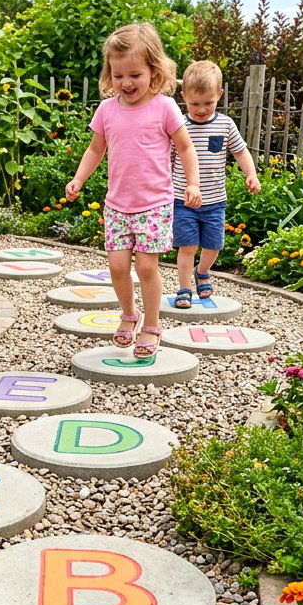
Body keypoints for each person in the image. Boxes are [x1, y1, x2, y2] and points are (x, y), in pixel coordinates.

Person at [66, 23, 201, 358]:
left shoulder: (164, 107)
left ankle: (152, 325)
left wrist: (193, 183)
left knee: (146, 268)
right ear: (109, 73)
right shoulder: (107, 110)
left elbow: (186, 147)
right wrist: (79, 179)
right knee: (116, 266)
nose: (126, 83)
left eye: (135, 75)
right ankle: (129, 314)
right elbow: (95, 150)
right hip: (117, 206)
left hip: (154, 204)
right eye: (118, 75)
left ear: (154, 71)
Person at [172, 60, 260, 307]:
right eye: (194, 104)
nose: (201, 109)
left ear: (219, 95)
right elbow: (167, 157)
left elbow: (240, 152)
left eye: (208, 103)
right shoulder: (179, 126)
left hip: (215, 201)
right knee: (187, 246)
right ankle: (184, 289)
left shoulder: (225, 124)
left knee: (213, 246)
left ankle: (202, 272)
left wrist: (251, 174)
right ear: (184, 97)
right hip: (183, 200)